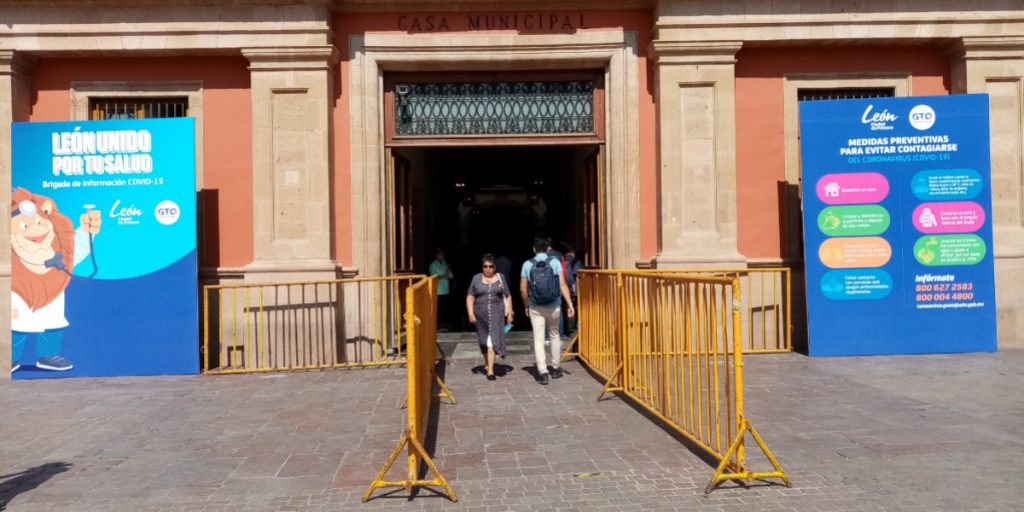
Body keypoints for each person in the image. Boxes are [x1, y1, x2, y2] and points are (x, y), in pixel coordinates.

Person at [520, 237, 575, 385]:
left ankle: (543, 372)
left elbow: (523, 289)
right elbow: (562, 284)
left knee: (538, 338)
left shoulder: (527, 264)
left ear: (534, 249)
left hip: (535, 306)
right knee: (555, 334)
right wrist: (570, 304)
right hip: (554, 305)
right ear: (547, 249)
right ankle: (556, 367)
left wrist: (526, 305)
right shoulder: (555, 262)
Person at [466, 254, 513, 381]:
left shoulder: (501, 278)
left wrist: (510, 313)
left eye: (490, 266)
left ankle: (490, 371)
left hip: (497, 315)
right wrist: (470, 313)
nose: (488, 269)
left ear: (495, 267)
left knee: (491, 342)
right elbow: (470, 296)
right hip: (480, 316)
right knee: (483, 341)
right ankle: (487, 363)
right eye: (485, 266)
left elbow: (507, 295)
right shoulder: (476, 278)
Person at [429, 248, 453, 331]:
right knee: (439, 309)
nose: (442, 256)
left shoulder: (444, 263)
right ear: (436, 255)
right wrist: (444, 276)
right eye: (440, 254)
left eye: (442, 254)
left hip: (445, 289)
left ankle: (443, 325)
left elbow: (450, 275)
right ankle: (438, 325)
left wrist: (449, 270)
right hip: (438, 290)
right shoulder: (433, 265)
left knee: (444, 308)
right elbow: (433, 277)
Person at [563, 248, 582, 337]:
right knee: (570, 308)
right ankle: (570, 329)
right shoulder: (569, 264)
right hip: (571, 289)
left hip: (572, 289)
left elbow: (571, 278)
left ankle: (570, 329)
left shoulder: (571, 264)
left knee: (569, 308)